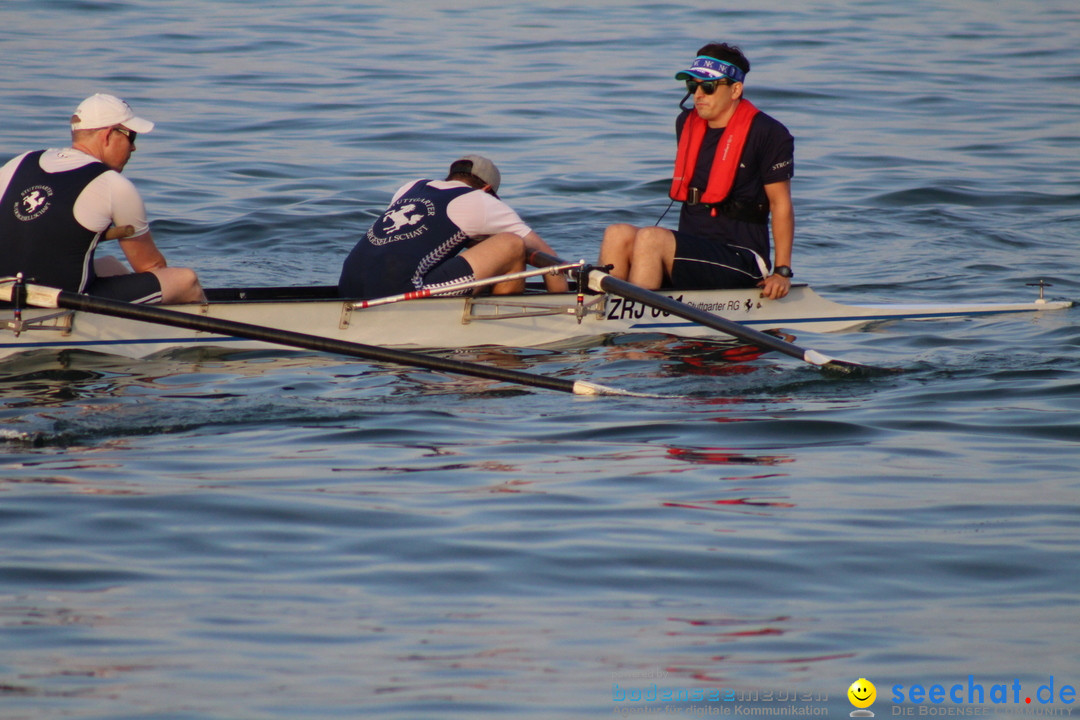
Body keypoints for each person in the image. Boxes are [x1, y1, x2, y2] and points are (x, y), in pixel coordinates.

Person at [598, 43, 795, 300]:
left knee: (650, 238)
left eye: (708, 87)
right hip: (693, 251)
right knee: (617, 233)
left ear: (736, 89)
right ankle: (597, 310)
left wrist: (781, 272)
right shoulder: (686, 123)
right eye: (693, 86)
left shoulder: (769, 133)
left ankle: (640, 335)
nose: (698, 94)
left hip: (742, 259)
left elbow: (781, 204)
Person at [0, 93, 204, 304]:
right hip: (60, 303)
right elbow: (151, 267)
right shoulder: (112, 184)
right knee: (186, 282)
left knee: (110, 266)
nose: (133, 147)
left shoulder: (18, 163)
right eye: (131, 136)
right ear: (108, 135)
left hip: (6, 294)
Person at [339, 155, 568, 300]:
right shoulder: (482, 201)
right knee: (512, 245)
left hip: (348, 284)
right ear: (487, 189)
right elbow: (551, 262)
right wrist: (565, 310)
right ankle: (504, 326)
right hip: (401, 292)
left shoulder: (411, 187)